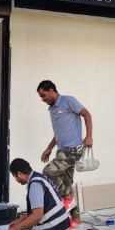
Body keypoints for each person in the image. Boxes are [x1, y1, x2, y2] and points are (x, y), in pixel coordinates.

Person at [37, 79, 93, 221]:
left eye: (43, 95)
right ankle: (75, 219)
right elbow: (58, 133)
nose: (42, 99)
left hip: (73, 149)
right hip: (62, 150)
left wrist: (89, 136)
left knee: (48, 172)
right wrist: (49, 148)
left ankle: (68, 199)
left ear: (51, 90)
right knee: (67, 183)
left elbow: (87, 114)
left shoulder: (68, 101)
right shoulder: (52, 109)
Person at [6, 158, 77, 230]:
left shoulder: (35, 185)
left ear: (19, 174)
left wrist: (16, 228)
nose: (16, 180)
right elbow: (42, 210)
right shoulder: (39, 177)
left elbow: (37, 216)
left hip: (54, 228)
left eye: (15, 177)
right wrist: (21, 220)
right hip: (61, 223)